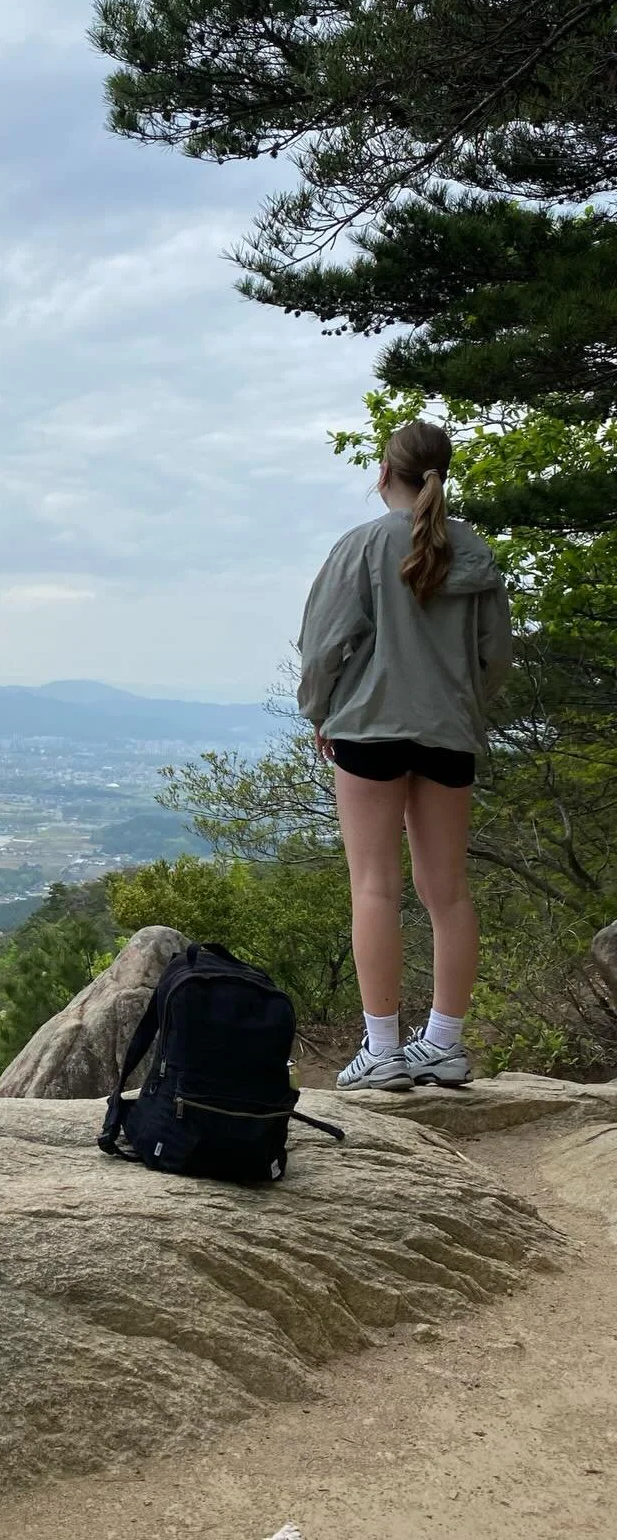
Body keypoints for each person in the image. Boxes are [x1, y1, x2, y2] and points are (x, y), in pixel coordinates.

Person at [298, 420, 512, 1091]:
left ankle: (383, 1050)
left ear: (383, 474)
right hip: (450, 732)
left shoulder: (362, 546)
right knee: (446, 892)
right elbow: (495, 656)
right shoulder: (476, 552)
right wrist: (464, 708)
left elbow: (322, 644)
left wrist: (320, 711)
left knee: (374, 886)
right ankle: (444, 1044)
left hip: (369, 728)